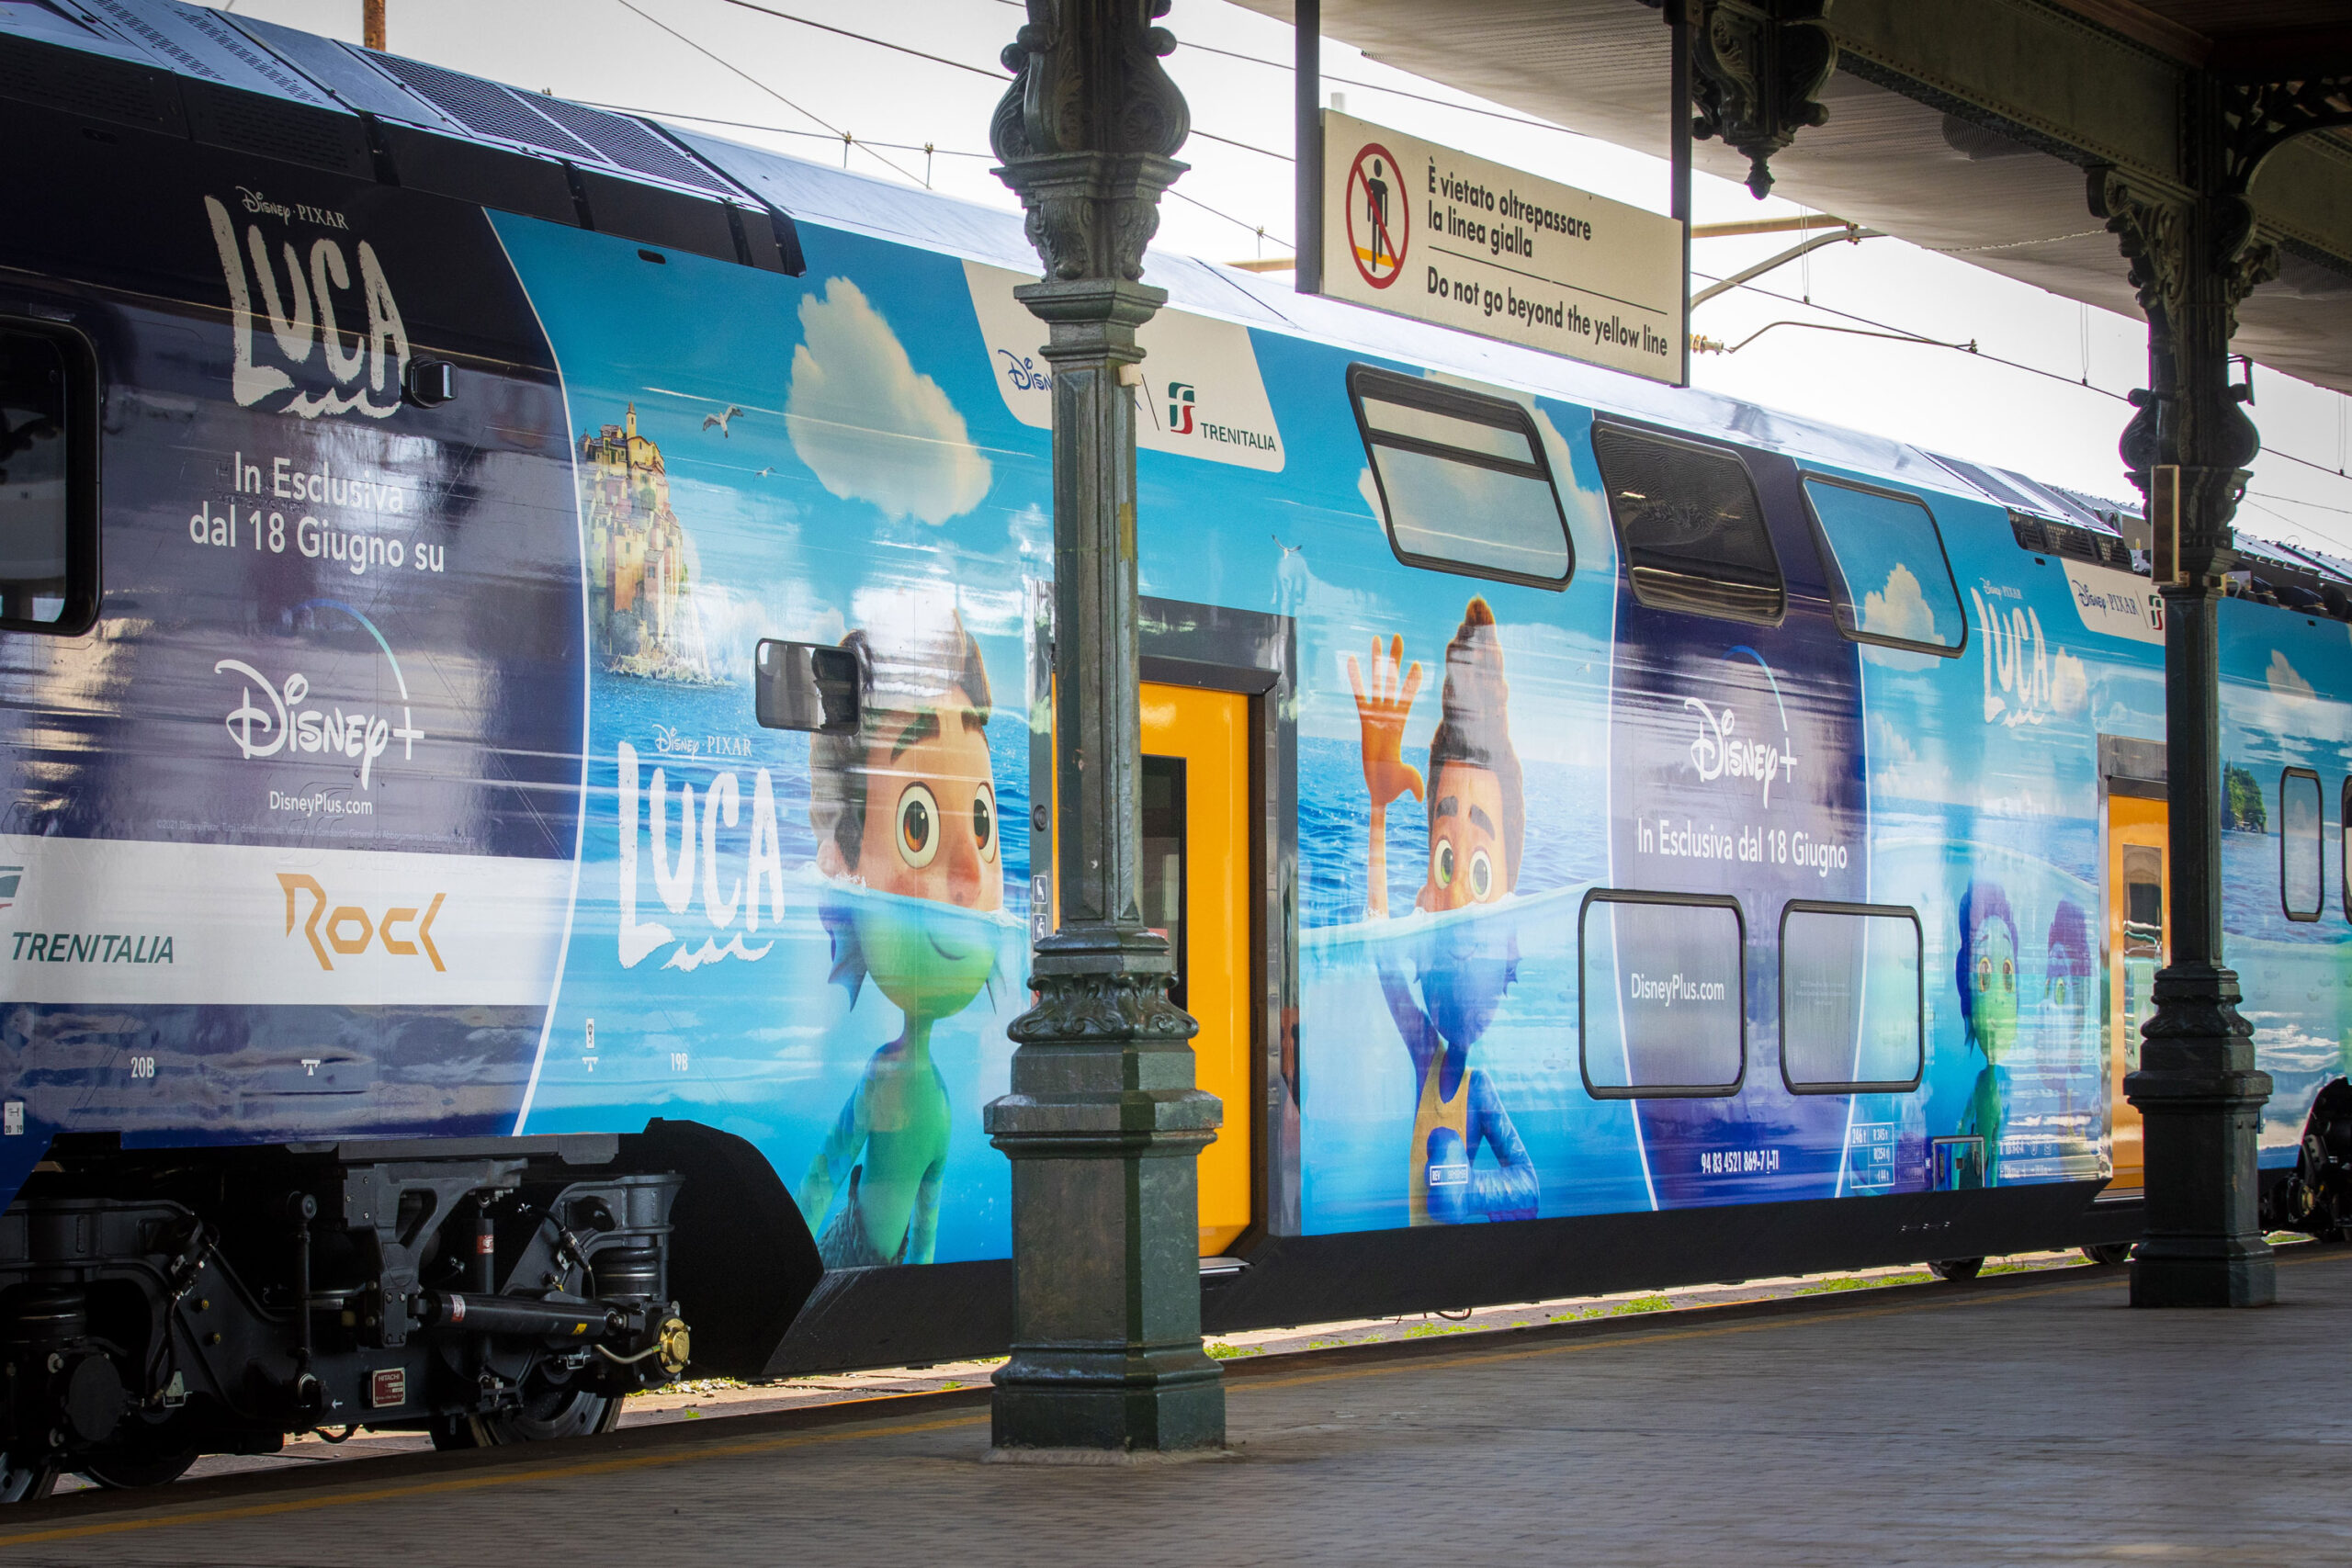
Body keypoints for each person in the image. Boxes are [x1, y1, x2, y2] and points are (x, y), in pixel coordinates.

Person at [798, 609, 1003, 1268]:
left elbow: (924, 1222)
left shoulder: (927, 1098)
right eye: (919, 823)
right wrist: (793, 1259)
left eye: (982, 818)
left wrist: (916, 1294)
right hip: (843, 1251)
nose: (971, 872)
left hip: (868, 1269)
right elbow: (828, 1176)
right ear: (846, 858)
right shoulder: (896, 1084)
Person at [1350, 598, 1538, 1225]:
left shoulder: (1479, 1093)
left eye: (1478, 873)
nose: (1453, 899)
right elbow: (1382, 956)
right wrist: (1378, 813)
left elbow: (1528, 1184)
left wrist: (1465, 1185)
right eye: (1444, 863)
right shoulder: (1423, 1052)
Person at [1954, 879, 2019, 1186]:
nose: (1996, 998)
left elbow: (1968, 1124)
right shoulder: (1985, 1082)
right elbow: (1968, 1124)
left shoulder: (1986, 1081)